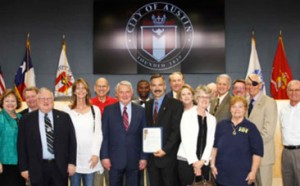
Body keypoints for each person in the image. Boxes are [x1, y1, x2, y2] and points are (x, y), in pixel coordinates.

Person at [18, 87, 77, 186]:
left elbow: (72, 142)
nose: (46, 101)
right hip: (37, 168)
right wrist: (23, 168)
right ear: (37, 100)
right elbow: (21, 145)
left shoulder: (64, 117)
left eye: (49, 98)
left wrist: (72, 163)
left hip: (59, 167)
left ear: (53, 100)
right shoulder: (26, 120)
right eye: (42, 98)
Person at [100, 80, 147, 186]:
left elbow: (145, 136)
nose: (125, 95)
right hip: (114, 160)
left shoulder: (141, 111)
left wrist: (144, 157)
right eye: (121, 92)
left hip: (135, 160)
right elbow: (104, 136)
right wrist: (104, 156)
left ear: (132, 93)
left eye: (127, 92)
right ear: (116, 94)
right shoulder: (108, 111)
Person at [210, 96, 263, 186]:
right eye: (234, 106)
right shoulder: (221, 125)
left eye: (240, 106)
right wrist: (212, 165)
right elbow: (214, 147)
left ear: (245, 109)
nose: (237, 109)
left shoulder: (251, 128)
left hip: (243, 176)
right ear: (230, 109)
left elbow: (257, 153)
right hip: (222, 175)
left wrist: (253, 172)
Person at [145, 74, 183, 186]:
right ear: (151, 87)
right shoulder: (148, 105)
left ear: (165, 86)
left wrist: (165, 150)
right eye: (154, 85)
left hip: (168, 158)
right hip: (152, 158)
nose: (157, 88)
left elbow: (176, 131)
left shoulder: (176, 104)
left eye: (160, 85)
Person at [64, 78, 103, 186]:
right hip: (74, 159)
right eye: (78, 88)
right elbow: (65, 136)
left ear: (87, 91)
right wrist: (67, 159)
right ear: (74, 91)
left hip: (90, 159)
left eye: (83, 88)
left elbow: (98, 134)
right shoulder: (67, 110)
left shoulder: (95, 110)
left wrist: (96, 154)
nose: (80, 91)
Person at [177, 85, 216, 186]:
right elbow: (186, 140)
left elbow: (210, 142)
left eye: (207, 97)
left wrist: (202, 162)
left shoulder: (212, 119)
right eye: (201, 97)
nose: (204, 100)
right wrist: (195, 163)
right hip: (186, 160)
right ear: (196, 98)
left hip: (204, 162)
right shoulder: (187, 115)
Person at [246, 73, 277, 186]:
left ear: (260, 85)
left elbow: (268, 132)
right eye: (248, 84)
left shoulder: (269, 102)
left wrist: (251, 145)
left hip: (264, 156)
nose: (251, 86)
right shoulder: (245, 102)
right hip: (248, 157)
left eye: (254, 84)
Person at [0, 89, 25, 186]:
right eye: (7, 100)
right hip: (5, 163)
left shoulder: (21, 117)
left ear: (17, 103)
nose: (10, 103)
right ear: (2, 103)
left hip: (20, 164)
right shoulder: (1, 118)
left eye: (13, 101)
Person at [279, 80, 300, 186]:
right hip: (286, 152)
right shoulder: (283, 111)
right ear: (287, 92)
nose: (294, 93)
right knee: (287, 182)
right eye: (291, 90)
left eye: (297, 90)